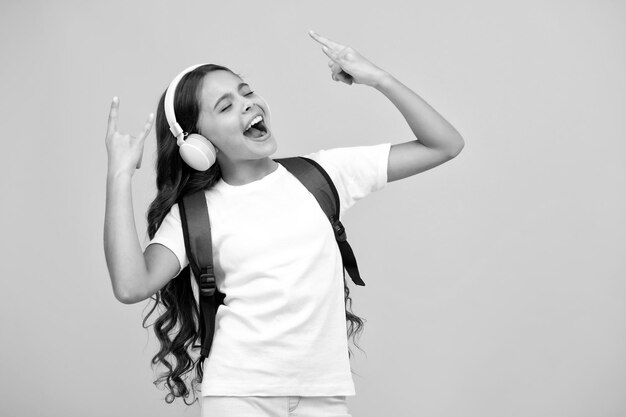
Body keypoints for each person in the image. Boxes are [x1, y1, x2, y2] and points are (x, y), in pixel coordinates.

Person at [103, 30, 465, 416]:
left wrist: (379, 79)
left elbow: (443, 145)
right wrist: (119, 176)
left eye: (246, 92)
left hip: (323, 394)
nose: (247, 104)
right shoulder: (196, 213)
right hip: (238, 394)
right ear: (198, 144)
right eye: (225, 107)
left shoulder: (323, 174)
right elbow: (131, 285)